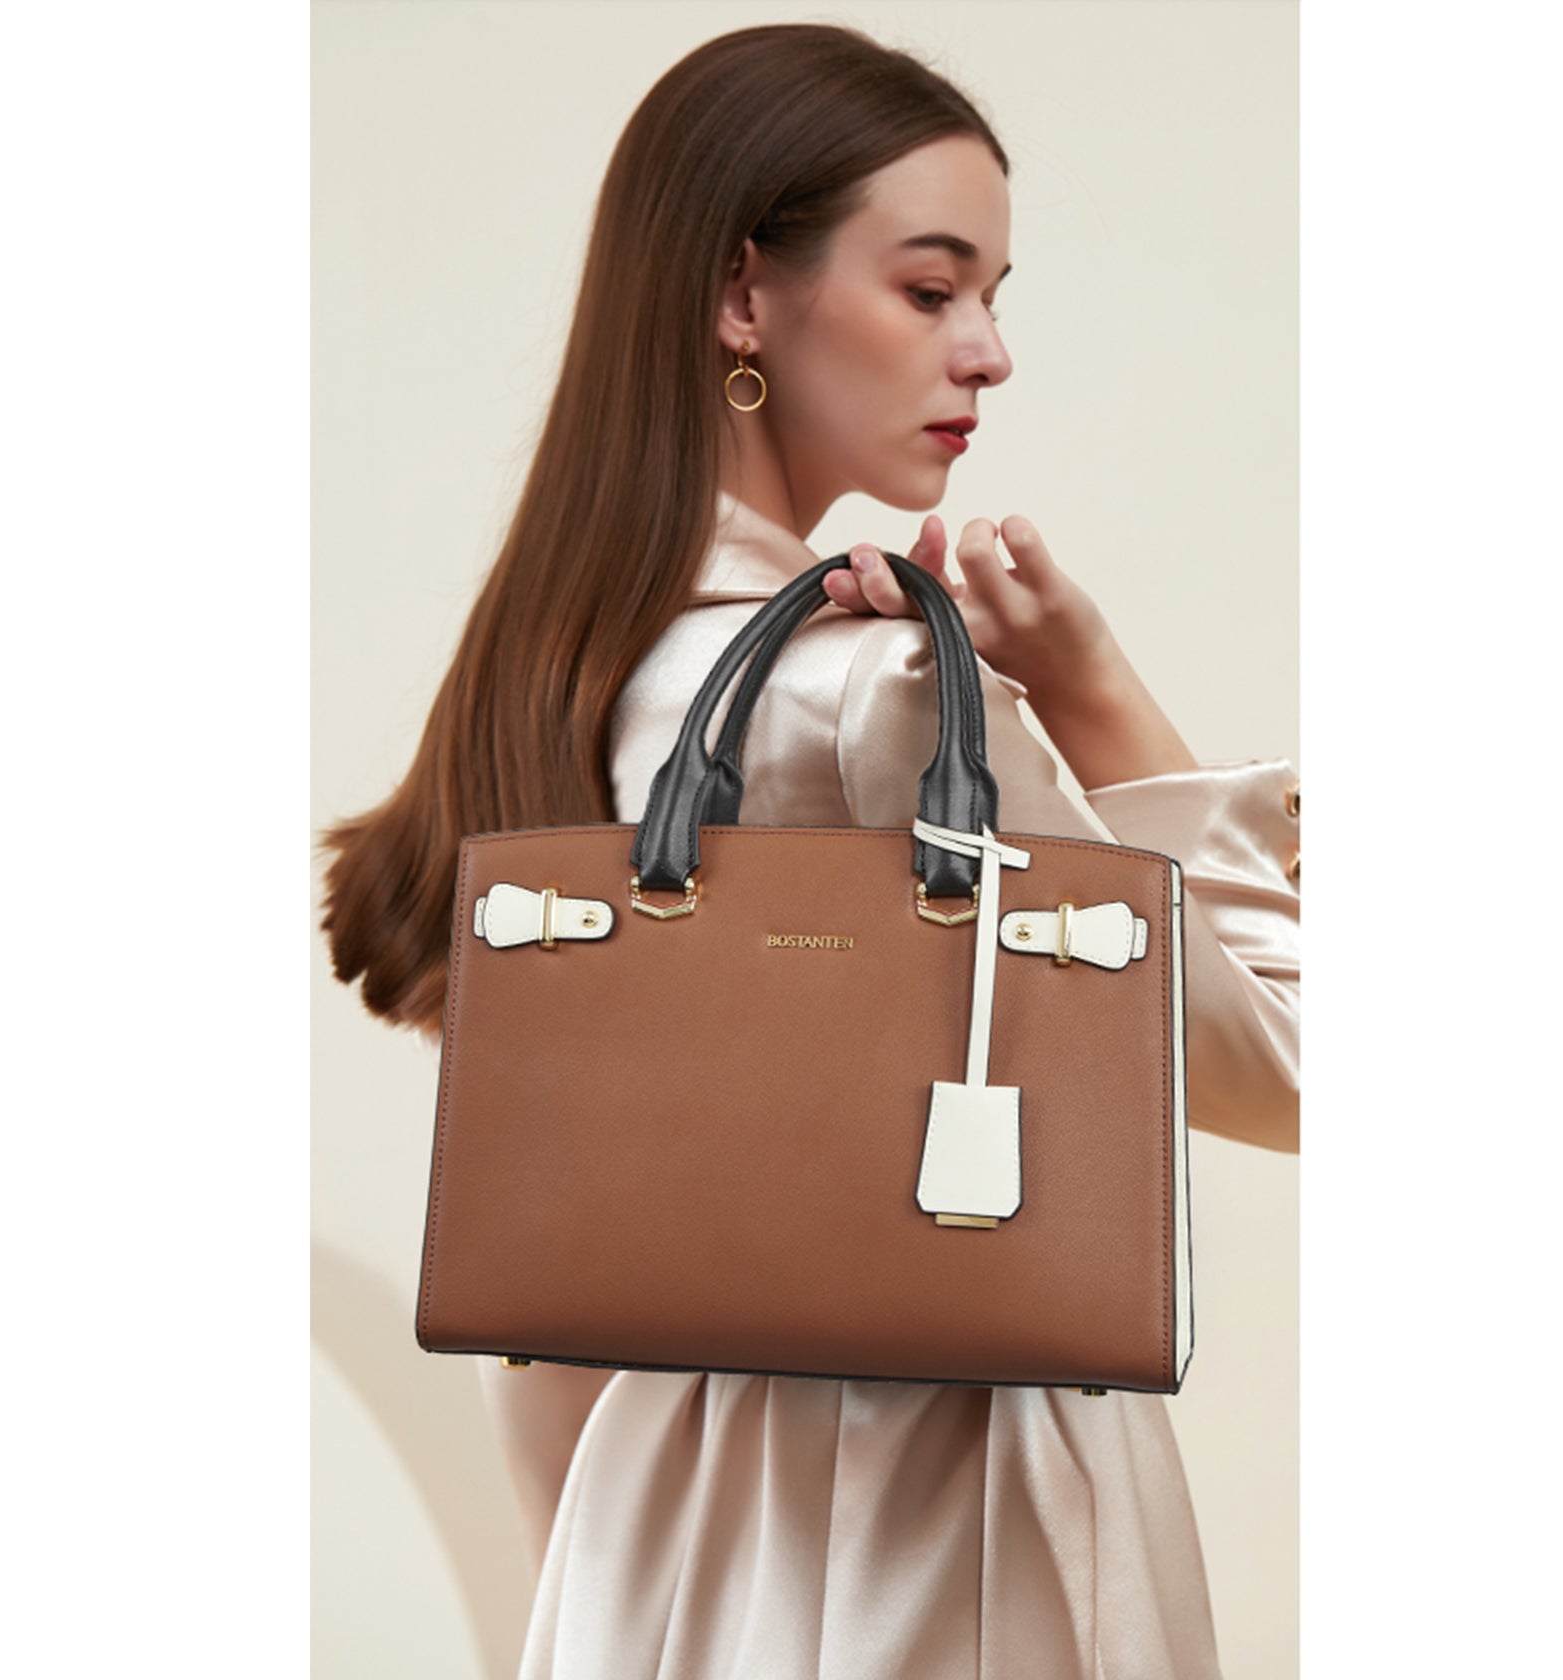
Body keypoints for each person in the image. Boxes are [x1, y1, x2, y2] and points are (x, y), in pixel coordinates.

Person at [319, 22, 1298, 1679]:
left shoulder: (595, 678)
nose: (989, 353)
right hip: (954, 1533)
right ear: (740, 296)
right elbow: (1296, 1064)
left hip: (656, 1543)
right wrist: (1097, 694)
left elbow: (549, 1313)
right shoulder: (876, 696)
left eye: (994, 295)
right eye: (930, 289)